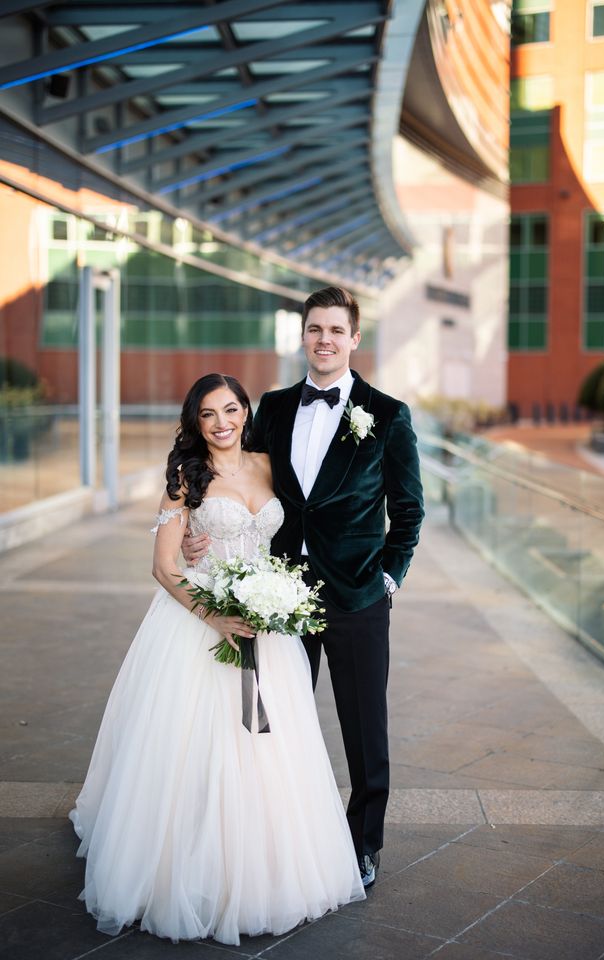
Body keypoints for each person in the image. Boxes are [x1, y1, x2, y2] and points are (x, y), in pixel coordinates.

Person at [69, 372, 365, 945]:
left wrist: (280, 598)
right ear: (195, 422)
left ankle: (264, 865)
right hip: (200, 624)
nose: (222, 423)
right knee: (195, 747)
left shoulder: (268, 464)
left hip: (267, 628)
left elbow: (297, 529)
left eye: (231, 410)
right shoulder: (187, 476)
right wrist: (214, 614)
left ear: (245, 413)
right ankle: (191, 862)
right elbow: (163, 566)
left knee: (266, 750)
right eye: (209, 415)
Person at [183, 287, 424, 889]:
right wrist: (195, 534)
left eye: (336, 330)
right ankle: (273, 838)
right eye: (315, 329)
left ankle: (363, 846)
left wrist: (389, 576)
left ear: (354, 339)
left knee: (365, 730)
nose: (324, 340)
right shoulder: (275, 405)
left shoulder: (388, 414)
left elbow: (410, 510)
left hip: (359, 595)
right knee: (271, 720)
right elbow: (243, 482)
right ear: (303, 336)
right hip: (282, 593)